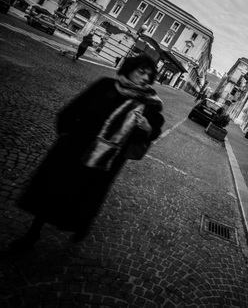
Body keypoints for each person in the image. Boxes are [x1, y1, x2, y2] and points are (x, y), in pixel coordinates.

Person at [13, 54, 165, 249]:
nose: (144, 78)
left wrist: (146, 129)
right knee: (52, 191)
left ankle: (81, 224)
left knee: (84, 198)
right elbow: (76, 107)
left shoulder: (149, 104)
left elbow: (152, 131)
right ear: (130, 69)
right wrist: (67, 135)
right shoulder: (106, 86)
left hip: (104, 162)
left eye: (148, 76)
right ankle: (32, 234)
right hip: (75, 149)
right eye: (141, 72)